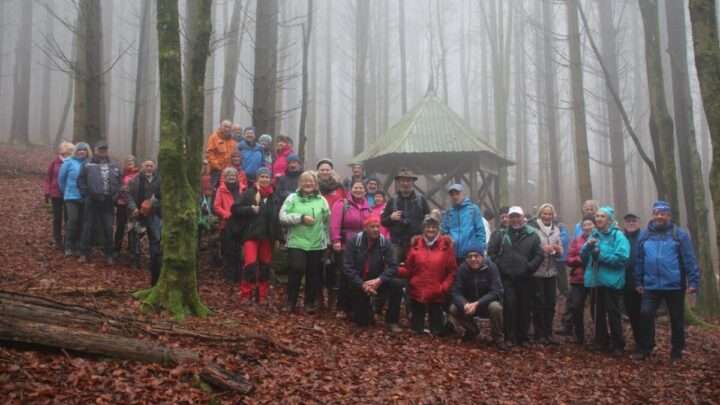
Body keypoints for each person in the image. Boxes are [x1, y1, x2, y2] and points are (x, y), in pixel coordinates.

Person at [633, 201, 699, 361]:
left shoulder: (679, 235)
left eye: (663, 214)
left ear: (669, 216)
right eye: (657, 213)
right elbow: (639, 260)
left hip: (674, 285)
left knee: (676, 319)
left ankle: (677, 351)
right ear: (653, 215)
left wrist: (693, 281)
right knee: (646, 313)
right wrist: (638, 282)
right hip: (650, 285)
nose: (659, 216)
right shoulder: (645, 235)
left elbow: (689, 259)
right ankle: (647, 348)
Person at [487, 206, 543, 347]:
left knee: (525, 308)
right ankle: (509, 336)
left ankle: (523, 337)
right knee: (509, 306)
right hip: (507, 278)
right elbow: (491, 254)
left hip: (526, 278)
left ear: (523, 218)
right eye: (512, 217)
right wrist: (501, 267)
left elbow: (539, 254)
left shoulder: (532, 235)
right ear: (508, 218)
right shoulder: (499, 234)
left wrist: (529, 268)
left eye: (518, 216)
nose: (515, 220)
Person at [279, 171, 330, 313]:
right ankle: (290, 302)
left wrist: (327, 243)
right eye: (305, 181)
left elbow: (327, 223)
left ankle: (309, 303)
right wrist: (300, 218)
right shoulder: (292, 198)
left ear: (316, 184)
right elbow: (282, 216)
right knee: (296, 269)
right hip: (296, 241)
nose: (308, 184)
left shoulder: (322, 200)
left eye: (311, 181)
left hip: (316, 243)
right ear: (300, 183)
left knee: (313, 274)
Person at [398, 213, 457, 335]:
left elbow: (452, 271)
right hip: (417, 292)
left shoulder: (446, 246)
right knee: (416, 332)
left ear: (438, 228)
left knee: (437, 333)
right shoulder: (415, 244)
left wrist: (443, 287)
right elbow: (408, 268)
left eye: (434, 227)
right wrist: (394, 269)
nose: (430, 229)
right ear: (423, 228)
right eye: (428, 226)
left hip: (437, 294)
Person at [581, 206, 629, 356]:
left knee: (613, 313)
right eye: (597, 216)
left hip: (612, 281)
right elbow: (583, 257)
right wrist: (588, 248)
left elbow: (622, 258)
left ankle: (618, 344)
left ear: (609, 220)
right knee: (598, 313)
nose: (599, 219)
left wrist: (600, 256)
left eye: (602, 216)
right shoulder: (594, 235)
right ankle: (601, 341)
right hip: (596, 280)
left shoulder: (618, 236)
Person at [343, 215, 402, 331]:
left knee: (398, 285)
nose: (376, 229)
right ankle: (357, 310)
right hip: (359, 282)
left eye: (377, 227)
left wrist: (380, 280)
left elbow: (393, 266)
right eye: (372, 227)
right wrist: (362, 284)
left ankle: (392, 321)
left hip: (377, 280)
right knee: (362, 322)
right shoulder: (354, 241)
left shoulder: (385, 242)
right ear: (365, 228)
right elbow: (347, 266)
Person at [232, 167, 280, 303]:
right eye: (262, 177)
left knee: (265, 265)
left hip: (267, 237)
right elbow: (235, 209)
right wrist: (250, 209)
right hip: (251, 235)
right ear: (257, 179)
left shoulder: (273, 197)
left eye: (267, 177)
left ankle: (262, 295)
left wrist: (278, 238)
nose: (264, 179)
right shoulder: (248, 193)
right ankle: (246, 294)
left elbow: (276, 219)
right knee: (250, 264)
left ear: (270, 180)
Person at [449, 242, 507, 351]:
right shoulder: (462, 269)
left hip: (486, 303)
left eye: (476, 256)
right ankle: (472, 331)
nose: (473, 259)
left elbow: (497, 291)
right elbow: (456, 291)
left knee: (496, 307)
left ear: (482, 256)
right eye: (470, 256)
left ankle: (498, 338)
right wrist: (464, 304)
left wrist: (478, 303)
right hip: (469, 305)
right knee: (453, 308)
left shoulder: (491, 267)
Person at [330, 179, 372, 317]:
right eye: (356, 187)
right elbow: (334, 224)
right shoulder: (342, 203)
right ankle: (342, 307)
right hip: (346, 244)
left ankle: (354, 307)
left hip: (363, 245)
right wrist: (336, 240)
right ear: (350, 189)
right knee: (345, 274)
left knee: (358, 275)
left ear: (365, 191)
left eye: (361, 188)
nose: (358, 190)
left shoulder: (368, 207)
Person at [77, 141, 122, 264]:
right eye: (100, 149)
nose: (102, 151)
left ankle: (109, 254)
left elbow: (120, 181)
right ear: (95, 150)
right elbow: (81, 180)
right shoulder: (87, 164)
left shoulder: (114, 164)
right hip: (91, 200)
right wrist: (86, 194)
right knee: (87, 227)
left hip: (108, 201)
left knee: (108, 228)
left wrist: (116, 195)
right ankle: (83, 253)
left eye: (104, 149)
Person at [527, 203, 563, 345]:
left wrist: (558, 249)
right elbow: (530, 249)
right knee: (538, 303)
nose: (547, 216)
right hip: (537, 272)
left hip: (552, 271)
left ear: (553, 215)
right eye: (545, 213)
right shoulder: (533, 229)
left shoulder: (556, 230)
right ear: (540, 214)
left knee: (551, 303)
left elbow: (560, 249)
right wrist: (543, 250)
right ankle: (538, 333)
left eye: (550, 214)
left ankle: (549, 332)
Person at [381, 168, 430, 264]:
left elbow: (428, 220)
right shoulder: (392, 201)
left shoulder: (421, 200)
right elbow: (383, 221)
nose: (405, 183)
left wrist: (423, 236)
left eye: (408, 180)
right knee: (393, 269)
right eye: (403, 180)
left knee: (415, 270)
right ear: (399, 182)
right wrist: (391, 218)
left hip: (416, 243)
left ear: (413, 182)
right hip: (396, 244)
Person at [127, 160, 162, 285]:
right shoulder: (135, 180)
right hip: (138, 214)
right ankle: (135, 261)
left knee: (156, 239)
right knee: (135, 238)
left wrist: (153, 204)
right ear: (142, 167)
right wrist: (133, 208)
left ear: (154, 167)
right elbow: (128, 195)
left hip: (154, 214)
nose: (149, 168)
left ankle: (154, 262)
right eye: (146, 166)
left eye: (151, 166)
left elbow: (162, 196)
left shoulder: (160, 180)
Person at [565, 215, 594, 344]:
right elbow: (569, 259)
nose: (587, 227)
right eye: (585, 225)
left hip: (595, 280)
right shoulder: (576, 241)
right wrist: (580, 259)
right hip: (579, 279)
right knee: (576, 307)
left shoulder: (599, 239)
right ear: (581, 227)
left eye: (590, 224)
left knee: (596, 310)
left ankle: (600, 336)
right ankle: (579, 335)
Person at [440, 183, 486, 264]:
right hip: (452, 255)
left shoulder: (473, 209)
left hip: (470, 255)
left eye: (457, 193)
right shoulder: (449, 212)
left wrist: (480, 251)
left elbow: (480, 231)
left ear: (463, 194)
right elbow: (444, 232)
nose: (455, 196)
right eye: (452, 194)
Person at [214, 167, 246, 282]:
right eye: (229, 176)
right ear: (225, 177)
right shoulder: (220, 190)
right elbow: (217, 206)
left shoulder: (243, 188)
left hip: (241, 223)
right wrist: (227, 214)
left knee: (240, 250)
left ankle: (240, 276)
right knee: (229, 250)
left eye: (233, 175)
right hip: (227, 223)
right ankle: (230, 276)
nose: (231, 177)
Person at [58, 142, 89, 257]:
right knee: (72, 220)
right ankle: (68, 246)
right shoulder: (68, 162)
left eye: (84, 150)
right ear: (76, 151)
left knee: (82, 222)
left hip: (85, 197)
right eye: (79, 150)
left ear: (87, 152)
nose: (82, 152)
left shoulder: (89, 163)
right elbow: (61, 179)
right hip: (71, 196)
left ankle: (79, 246)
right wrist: (66, 191)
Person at [45, 141, 74, 250]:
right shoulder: (55, 162)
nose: (68, 153)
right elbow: (48, 177)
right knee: (57, 218)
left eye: (70, 151)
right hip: (56, 194)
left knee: (68, 218)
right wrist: (47, 191)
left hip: (69, 194)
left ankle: (68, 240)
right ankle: (57, 239)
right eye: (67, 151)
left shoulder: (73, 162)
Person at [622, 212, 644, 352]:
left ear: (638, 222)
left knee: (645, 314)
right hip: (626, 282)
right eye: (628, 221)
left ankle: (647, 343)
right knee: (633, 314)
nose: (631, 223)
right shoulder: (620, 237)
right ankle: (639, 343)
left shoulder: (645, 237)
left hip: (643, 282)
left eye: (633, 221)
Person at [114, 156, 139, 253]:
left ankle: (132, 250)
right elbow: (117, 187)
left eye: (132, 161)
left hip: (133, 206)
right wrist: (121, 190)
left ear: (135, 163)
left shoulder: (138, 174)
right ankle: (116, 249)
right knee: (120, 226)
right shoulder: (121, 174)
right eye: (128, 161)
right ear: (124, 163)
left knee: (132, 227)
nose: (130, 163)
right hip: (122, 204)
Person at [206, 120, 236, 189]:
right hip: (216, 172)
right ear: (220, 126)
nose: (227, 129)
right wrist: (217, 166)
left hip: (229, 172)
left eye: (229, 127)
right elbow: (209, 153)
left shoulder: (232, 141)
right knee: (215, 190)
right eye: (225, 126)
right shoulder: (213, 138)